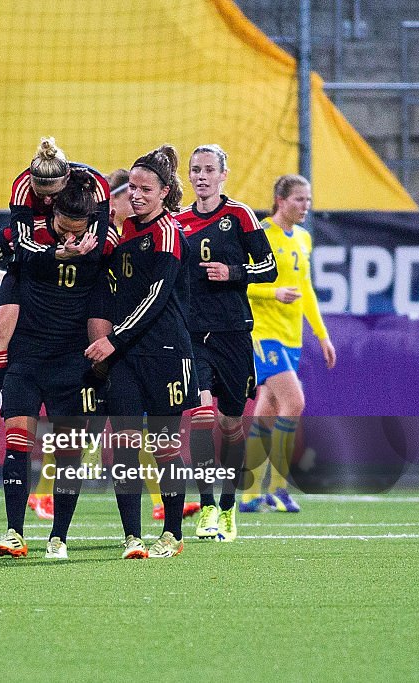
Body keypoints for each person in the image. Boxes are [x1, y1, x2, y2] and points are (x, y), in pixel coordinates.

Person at [0, 138, 110, 523]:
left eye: (54, 194)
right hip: (26, 262)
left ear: (67, 181)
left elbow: (100, 247)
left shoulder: (94, 189)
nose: (46, 200)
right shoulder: (21, 189)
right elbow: (21, 246)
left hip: (80, 277)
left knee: (102, 342)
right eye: (40, 194)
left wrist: (78, 252)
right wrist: (57, 252)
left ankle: (94, 431)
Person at [85, 144, 198, 560]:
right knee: (126, 443)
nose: (135, 195)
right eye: (130, 187)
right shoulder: (124, 231)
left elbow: (157, 295)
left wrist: (113, 338)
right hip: (127, 357)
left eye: (144, 189)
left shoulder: (168, 233)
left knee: (166, 445)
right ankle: (132, 536)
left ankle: (172, 534)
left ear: (165, 192)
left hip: (166, 351)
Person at [175, 145, 278, 542]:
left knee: (230, 423)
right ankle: (207, 508)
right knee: (201, 417)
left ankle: (230, 504)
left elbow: (268, 269)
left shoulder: (239, 216)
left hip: (233, 332)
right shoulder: (178, 221)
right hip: (192, 334)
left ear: (223, 175)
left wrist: (233, 271)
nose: (201, 176)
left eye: (208, 170)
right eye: (195, 170)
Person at [240, 174, 336, 513]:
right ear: (280, 200)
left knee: (266, 411)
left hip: (291, 336)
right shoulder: (261, 235)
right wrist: (273, 292)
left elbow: (306, 290)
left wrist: (322, 335)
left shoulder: (305, 239)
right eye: (299, 199)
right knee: (294, 402)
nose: (305, 206)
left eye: (308, 200)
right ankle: (278, 487)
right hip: (264, 333)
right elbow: (242, 283)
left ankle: (251, 494)